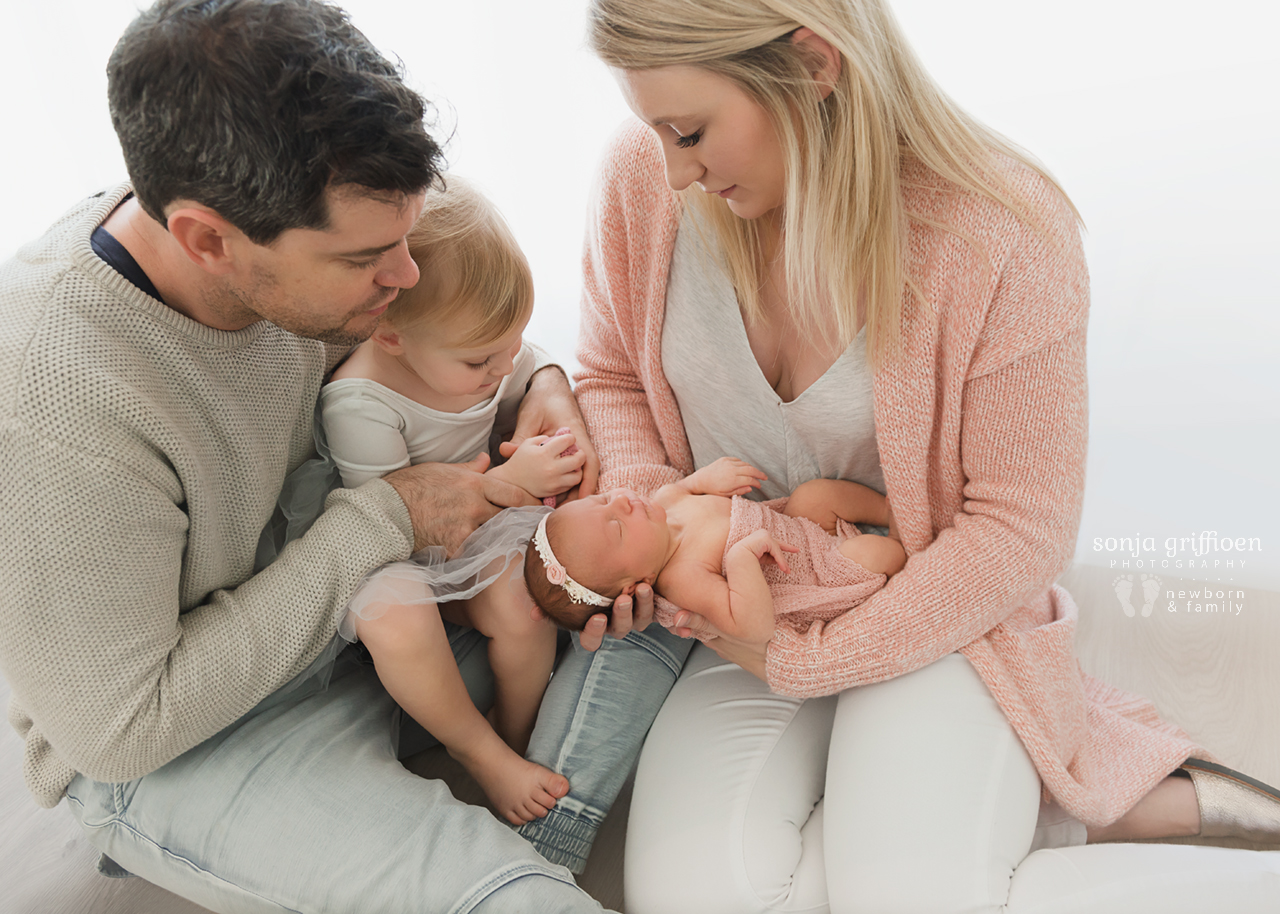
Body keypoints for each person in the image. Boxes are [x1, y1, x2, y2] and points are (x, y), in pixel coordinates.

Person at [516, 0, 1280, 909]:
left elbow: (1016, 530)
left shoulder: (1003, 233)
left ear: (811, 64)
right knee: (696, 898)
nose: (673, 171)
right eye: (655, 132)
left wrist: (810, 661)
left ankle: (1147, 817)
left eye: (689, 131)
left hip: (933, 611)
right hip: (747, 625)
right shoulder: (643, 178)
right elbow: (612, 375)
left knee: (905, 898)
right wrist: (661, 518)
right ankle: (1043, 814)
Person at [0, 1, 614, 911]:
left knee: (647, 588)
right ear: (206, 239)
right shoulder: (57, 403)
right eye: (371, 257)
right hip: (193, 733)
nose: (403, 277)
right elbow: (121, 730)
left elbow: (440, 333)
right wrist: (389, 515)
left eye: (407, 239)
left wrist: (545, 379)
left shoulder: (289, 252)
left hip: (348, 621)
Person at [320, 177, 583, 825]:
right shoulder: (361, 402)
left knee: (527, 604)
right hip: (402, 553)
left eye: (513, 344)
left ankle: (515, 733)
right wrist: (511, 483)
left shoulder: (479, 348)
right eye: (481, 362)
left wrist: (545, 382)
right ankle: (479, 753)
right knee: (396, 618)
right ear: (391, 337)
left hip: (479, 535)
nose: (502, 369)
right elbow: (397, 525)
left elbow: (524, 368)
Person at [524, 458, 904, 633]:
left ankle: (897, 510)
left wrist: (710, 476)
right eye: (618, 528)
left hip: (799, 529)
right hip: (815, 578)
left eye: (602, 499)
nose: (622, 503)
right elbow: (750, 626)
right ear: (637, 581)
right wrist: (740, 558)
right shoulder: (681, 578)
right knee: (873, 555)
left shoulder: (665, 502)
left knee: (814, 495)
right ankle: (906, 543)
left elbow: (689, 485)